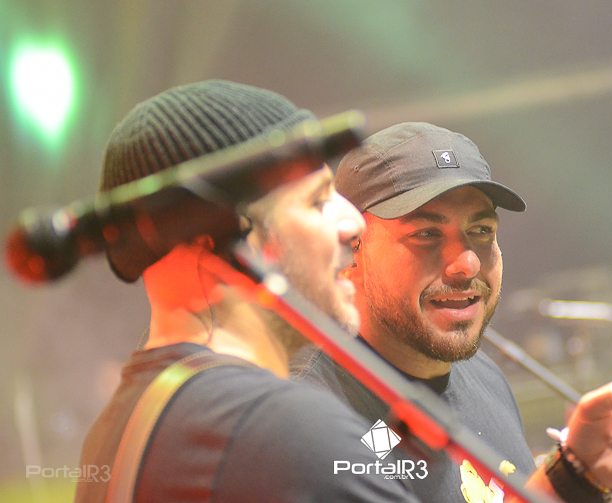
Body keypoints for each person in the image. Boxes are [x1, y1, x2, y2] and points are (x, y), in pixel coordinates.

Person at [291, 121, 612, 502]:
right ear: (350, 251)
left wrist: (582, 472)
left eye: (482, 230)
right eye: (426, 234)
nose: (466, 264)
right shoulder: (310, 420)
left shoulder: (482, 376)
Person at [75, 81, 419, 502]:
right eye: (316, 201)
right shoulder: (289, 433)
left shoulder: (115, 430)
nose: (354, 222)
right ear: (221, 243)